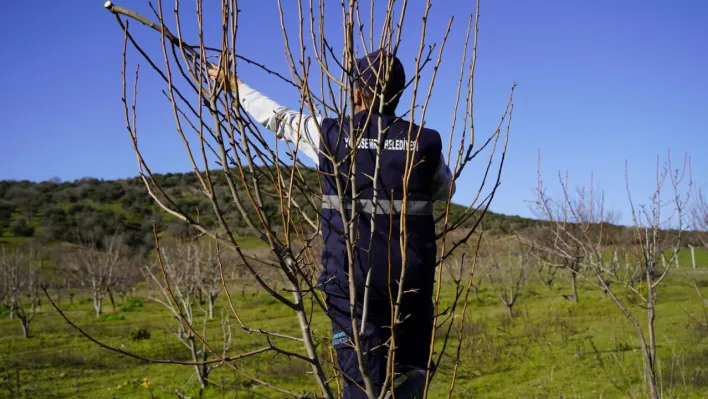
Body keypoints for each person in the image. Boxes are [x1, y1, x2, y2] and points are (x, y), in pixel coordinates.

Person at [208, 49, 455, 399]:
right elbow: (446, 187)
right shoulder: (425, 141)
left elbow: (279, 118)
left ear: (356, 92)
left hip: (349, 285)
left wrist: (234, 85)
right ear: (399, 93)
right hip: (410, 284)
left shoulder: (330, 134)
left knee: (360, 384)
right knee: (410, 375)